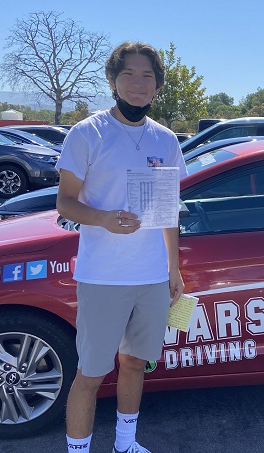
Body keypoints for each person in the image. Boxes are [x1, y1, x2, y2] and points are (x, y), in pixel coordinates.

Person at [57, 41, 187, 453]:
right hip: (102, 278)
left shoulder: (165, 140)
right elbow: (64, 202)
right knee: (91, 375)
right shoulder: (87, 133)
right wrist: (103, 219)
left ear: (157, 86)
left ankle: (125, 444)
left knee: (134, 364)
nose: (138, 83)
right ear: (113, 81)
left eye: (147, 75)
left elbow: (167, 211)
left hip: (150, 278)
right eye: (129, 74)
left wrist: (173, 269)